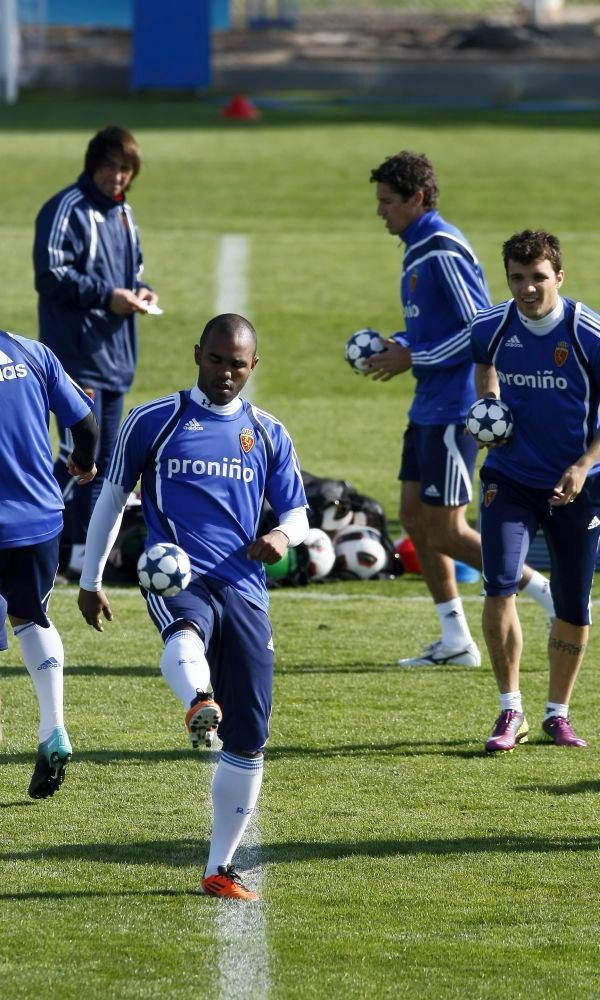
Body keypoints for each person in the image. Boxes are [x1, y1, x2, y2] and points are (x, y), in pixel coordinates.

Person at [77, 313, 308, 900]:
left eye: (237, 363)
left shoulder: (269, 433)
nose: (225, 372)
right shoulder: (153, 420)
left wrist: (281, 538)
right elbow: (112, 499)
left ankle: (219, 867)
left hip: (246, 587)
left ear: (253, 366)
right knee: (185, 628)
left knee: (251, 736)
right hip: (175, 572)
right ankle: (198, 701)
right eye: (216, 359)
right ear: (196, 354)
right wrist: (90, 576)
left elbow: (298, 515)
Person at [367, 151, 554, 667]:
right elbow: (436, 328)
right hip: (426, 405)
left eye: (387, 202)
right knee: (412, 517)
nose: (380, 211)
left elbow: (481, 326)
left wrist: (414, 356)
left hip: (455, 407)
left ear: (417, 199)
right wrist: (399, 344)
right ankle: (455, 639)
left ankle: (544, 590)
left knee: (447, 529)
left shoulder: (441, 248)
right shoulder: (416, 247)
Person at [470, 229, 600, 752]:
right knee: (499, 584)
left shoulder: (588, 333)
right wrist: (490, 405)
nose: (527, 289)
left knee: (573, 601)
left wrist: (584, 463)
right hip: (510, 478)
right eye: (518, 278)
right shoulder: (492, 327)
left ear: (559, 277)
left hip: (579, 486)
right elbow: (484, 365)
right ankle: (510, 710)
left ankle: (557, 713)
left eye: (538, 278)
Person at [33, 124, 159, 579]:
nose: (119, 177)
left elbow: (134, 270)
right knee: (80, 458)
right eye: (111, 167)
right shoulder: (66, 208)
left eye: (127, 170)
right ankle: (52, 542)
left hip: (115, 359)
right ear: (93, 165)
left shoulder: (125, 216)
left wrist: (141, 293)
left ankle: (84, 549)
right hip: (75, 356)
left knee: (105, 462)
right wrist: (107, 295)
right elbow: (50, 274)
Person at [0, 328, 98, 797]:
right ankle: (53, 727)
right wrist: (83, 462)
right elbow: (87, 424)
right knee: (29, 616)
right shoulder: (31, 351)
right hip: (40, 522)